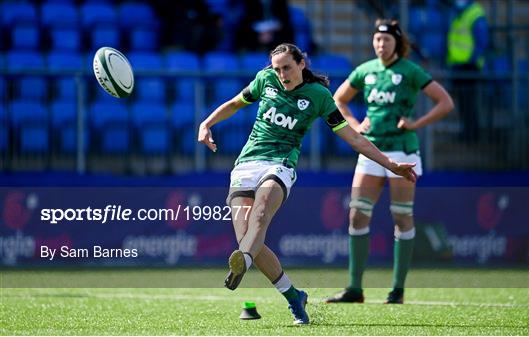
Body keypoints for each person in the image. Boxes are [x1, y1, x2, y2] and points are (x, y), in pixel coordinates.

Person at [198, 43, 418, 324]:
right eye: (277, 69)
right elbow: (235, 103)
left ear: (301, 64)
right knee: (248, 239)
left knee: (261, 215)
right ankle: (292, 295)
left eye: (287, 67)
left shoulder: (319, 96)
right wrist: (206, 123)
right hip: (246, 164)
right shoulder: (264, 79)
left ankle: (243, 261)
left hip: (280, 165)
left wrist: (390, 164)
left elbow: (354, 138)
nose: (281, 74)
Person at [325, 19, 454, 305]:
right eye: (377, 40)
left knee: (401, 216)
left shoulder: (410, 71)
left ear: (398, 43)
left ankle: (397, 289)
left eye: (386, 40)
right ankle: (354, 289)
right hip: (371, 150)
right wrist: (355, 125)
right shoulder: (366, 70)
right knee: (357, 215)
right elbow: (338, 100)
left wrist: (417, 123)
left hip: (402, 151)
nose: (381, 45)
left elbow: (445, 102)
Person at [446, 0, 488, 142]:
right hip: (458, 65)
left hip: (469, 67)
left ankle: (472, 134)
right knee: (464, 104)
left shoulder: (475, 13)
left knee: (470, 103)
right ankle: (467, 132)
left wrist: (471, 60)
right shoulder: (458, 12)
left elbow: (482, 42)